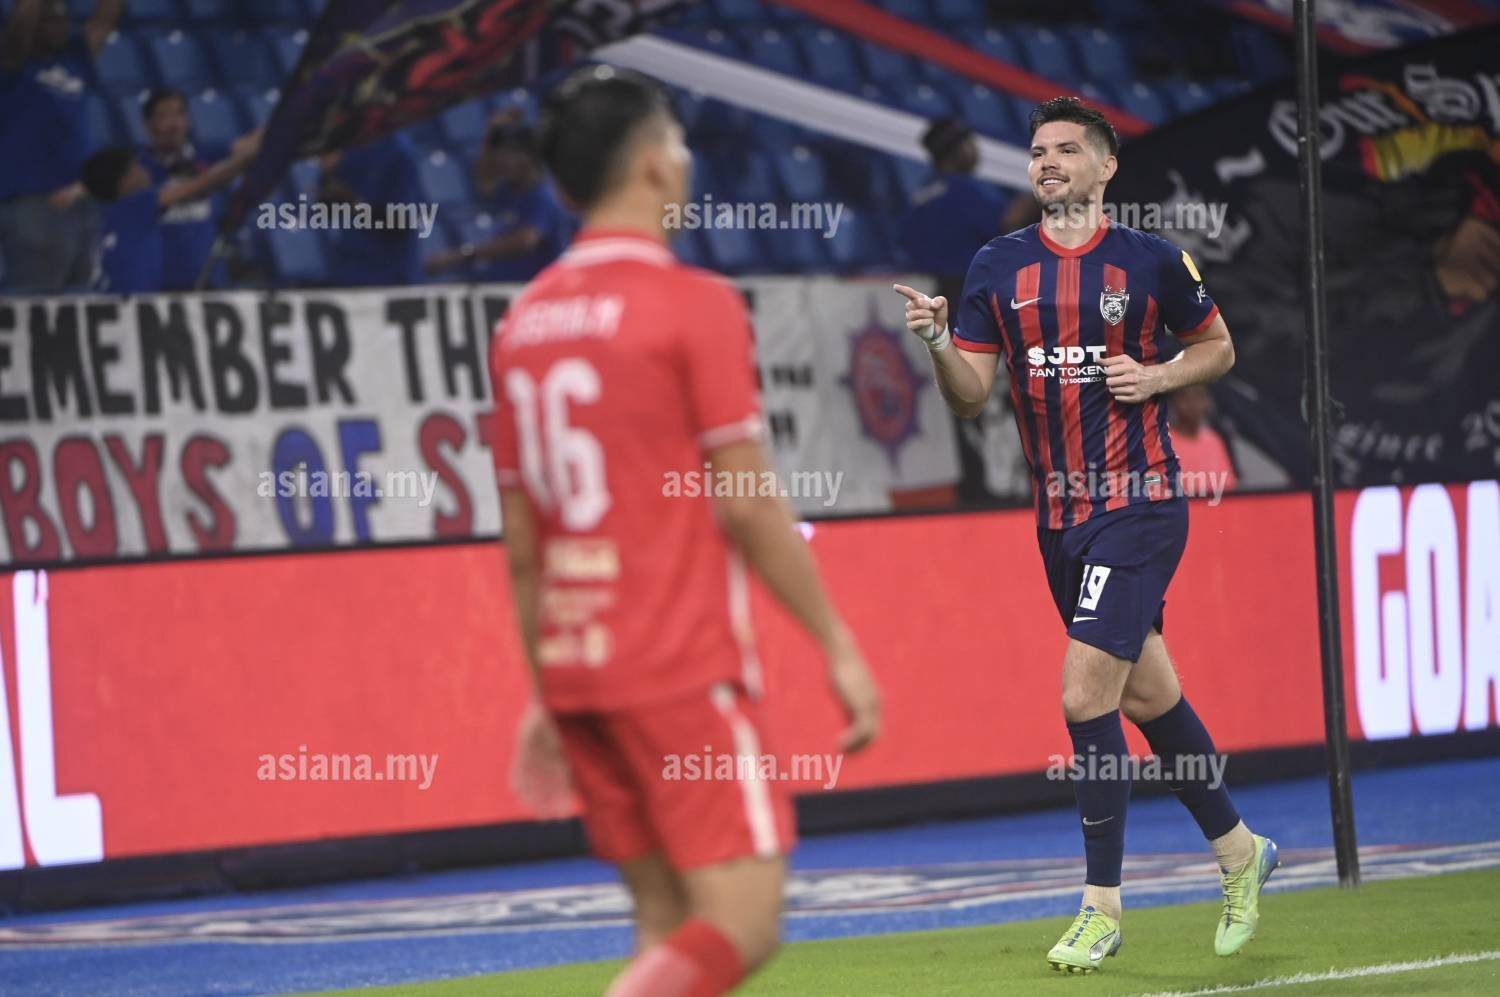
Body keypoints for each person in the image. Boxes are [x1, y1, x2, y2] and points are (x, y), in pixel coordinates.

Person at [493, 65, 881, 997]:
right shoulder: (693, 303)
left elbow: (524, 549)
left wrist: (546, 690)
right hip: (674, 666)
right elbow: (746, 502)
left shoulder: (522, 324)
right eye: (676, 142)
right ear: (656, 166)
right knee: (744, 921)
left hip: (580, 668)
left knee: (665, 926)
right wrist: (836, 643)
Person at [893, 96, 1276, 974]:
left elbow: (1218, 347)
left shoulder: (1149, 260)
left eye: (1067, 150)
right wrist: (941, 340)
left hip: (1139, 502)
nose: (1048, 162)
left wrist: (1159, 374)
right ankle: (1240, 850)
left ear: (1106, 168)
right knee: (1146, 696)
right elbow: (969, 396)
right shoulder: (998, 264)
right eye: (1038, 151)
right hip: (1058, 518)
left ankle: (1101, 906)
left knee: (1082, 696)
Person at [0, 0, 121, 291]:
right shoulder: (14, 62)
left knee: (79, 300)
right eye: (51, 21)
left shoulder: (75, 59)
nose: (61, 27)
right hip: (32, 199)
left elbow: (104, 21)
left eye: (64, 20)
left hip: (80, 198)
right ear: (35, 26)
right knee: (35, 300)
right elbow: (20, 24)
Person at [80, 132, 261, 295]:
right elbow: (203, 184)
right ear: (125, 181)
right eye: (137, 168)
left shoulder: (106, 214)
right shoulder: (136, 204)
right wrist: (243, 161)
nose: (145, 171)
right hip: (132, 309)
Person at [427, 111, 572, 281]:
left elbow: (526, 241)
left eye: (510, 154)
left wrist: (462, 255)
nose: (501, 161)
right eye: (500, 154)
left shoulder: (544, 195)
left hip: (534, 288)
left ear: (529, 157)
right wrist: (491, 132)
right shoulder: (512, 191)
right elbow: (483, 181)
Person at [898, 116, 1010, 305]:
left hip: (942, 292)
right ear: (956, 151)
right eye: (969, 143)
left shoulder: (922, 192)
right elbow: (1005, 222)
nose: (976, 149)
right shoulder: (962, 189)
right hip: (972, 290)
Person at [138, 88, 232, 290]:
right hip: (160, 283)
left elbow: (248, 149)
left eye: (179, 113)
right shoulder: (137, 170)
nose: (174, 122)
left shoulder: (206, 154)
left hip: (208, 280)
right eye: (164, 115)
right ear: (148, 124)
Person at [319, 134, 425, 288]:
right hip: (351, 271)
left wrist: (354, 203)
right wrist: (328, 175)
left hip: (391, 276)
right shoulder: (346, 150)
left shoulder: (398, 151)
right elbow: (326, 210)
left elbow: (401, 223)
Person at [1169, 384, 1238, 496]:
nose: (1193, 404)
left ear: (1208, 402)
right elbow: (1147, 482)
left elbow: (1229, 486)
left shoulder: (1214, 440)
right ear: (1173, 402)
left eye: (1199, 396)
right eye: (1185, 397)